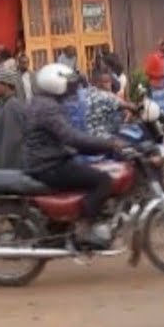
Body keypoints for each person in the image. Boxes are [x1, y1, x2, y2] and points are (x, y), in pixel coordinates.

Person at [24, 63, 125, 248]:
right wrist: (109, 144)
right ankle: (84, 230)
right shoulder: (48, 108)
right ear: (55, 85)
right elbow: (71, 137)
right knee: (103, 180)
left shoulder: (42, 102)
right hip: (50, 165)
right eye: (68, 84)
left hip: (46, 160)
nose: (72, 88)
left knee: (92, 171)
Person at [0, 64, 27, 170]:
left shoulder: (12, 107)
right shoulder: (6, 105)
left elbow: (11, 145)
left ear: (6, 85)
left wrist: (4, 174)